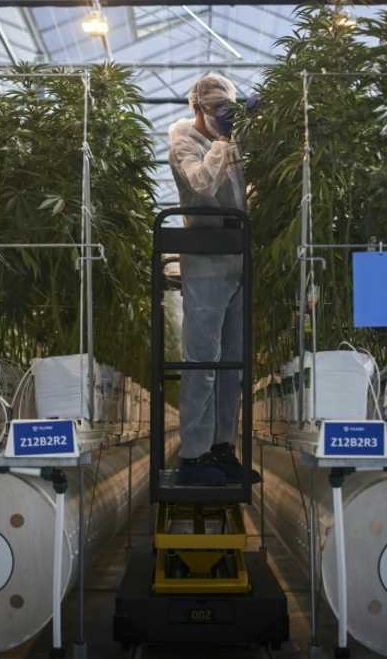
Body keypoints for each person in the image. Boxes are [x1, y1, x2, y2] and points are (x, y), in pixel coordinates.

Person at [167, 74, 255, 486]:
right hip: (204, 258)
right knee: (202, 360)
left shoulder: (234, 140)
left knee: (231, 364)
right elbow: (201, 185)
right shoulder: (183, 138)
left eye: (229, 111)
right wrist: (223, 141)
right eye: (218, 111)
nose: (224, 118)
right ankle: (194, 456)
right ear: (197, 107)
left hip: (238, 255)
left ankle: (223, 447)